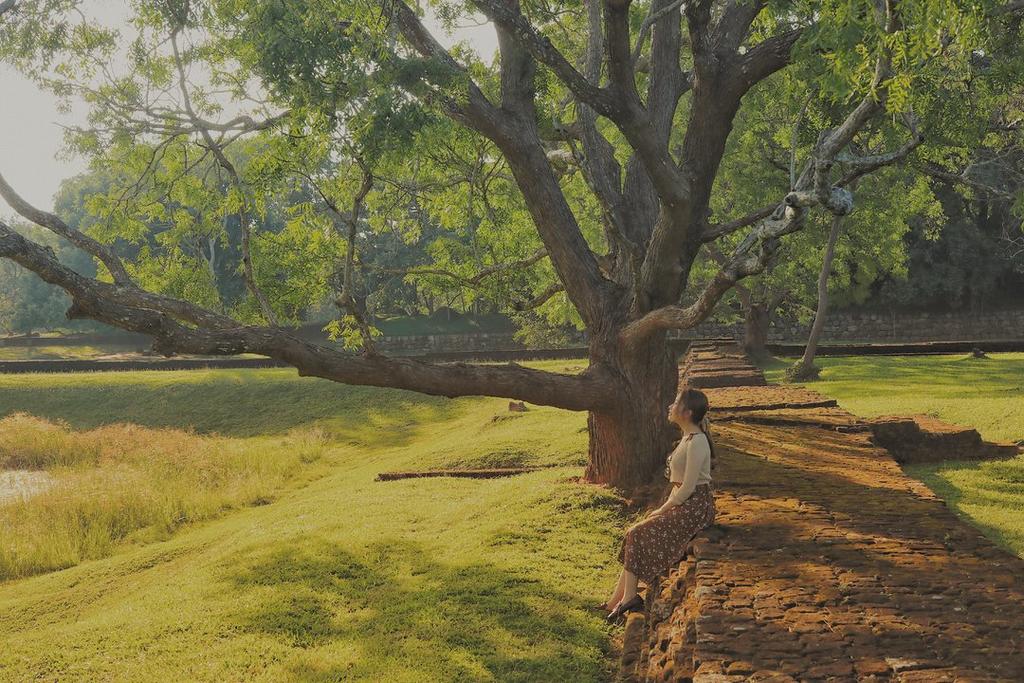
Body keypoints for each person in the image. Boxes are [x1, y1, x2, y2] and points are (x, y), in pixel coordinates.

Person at [603, 387, 717, 623]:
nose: (670, 407)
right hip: (686, 502)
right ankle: (617, 600)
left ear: (686, 412)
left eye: (675, 403)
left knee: (636, 532)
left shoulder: (697, 442)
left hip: (695, 506)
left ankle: (629, 598)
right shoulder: (688, 438)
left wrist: (664, 508)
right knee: (635, 533)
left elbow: (688, 486)